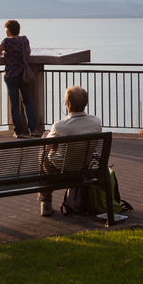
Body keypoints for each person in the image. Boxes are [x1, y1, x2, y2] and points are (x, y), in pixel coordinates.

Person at [38, 86, 102, 216]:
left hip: (60, 170)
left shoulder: (60, 126)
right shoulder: (96, 122)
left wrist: (52, 142)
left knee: (44, 148)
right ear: (85, 103)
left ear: (67, 104)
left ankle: (46, 203)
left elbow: (47, 147)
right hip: (84, 167)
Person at [0, 19, 39, 138]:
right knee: (28, 102)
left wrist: (5, 53)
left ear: (8, 31)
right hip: (24, 75)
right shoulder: (24, 39)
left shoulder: (7, 41)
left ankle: (18, 132)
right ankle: (33, 129)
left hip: (11, 75)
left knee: (15, 105)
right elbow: (28, 52)